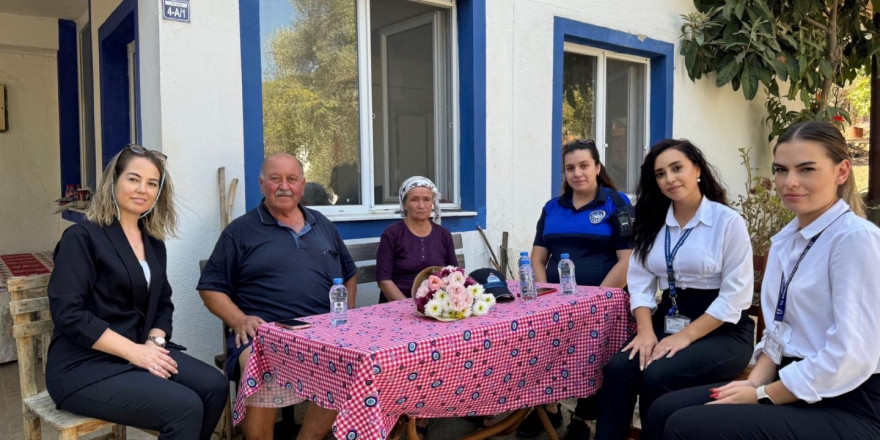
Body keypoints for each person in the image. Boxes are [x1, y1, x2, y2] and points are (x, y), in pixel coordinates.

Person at [645, 121, 880, 440]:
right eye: (782, 170)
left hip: (847, 401)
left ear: (841, 172)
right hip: (789, 382)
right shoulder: (788, 241)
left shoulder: (854, 239)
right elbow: (780, 329)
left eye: (806, 169)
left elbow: (851, 356)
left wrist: (764, 394)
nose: (790, 182)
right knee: (664, 409)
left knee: (685, 426)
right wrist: (755, 381)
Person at [46, 144, 228, 440]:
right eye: (133, 179)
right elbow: (69, 313)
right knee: (185, 407)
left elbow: (163, 302)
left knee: (214, 386)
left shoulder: (153, 242)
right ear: (113, 182)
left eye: (152, 183)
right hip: (84, 366)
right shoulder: (82, 238)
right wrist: (136, 353)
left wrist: (154, 342)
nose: (142, 189)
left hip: (139, 351)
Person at [593, 139, 755, 440]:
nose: (669, 179)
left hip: (721, 328)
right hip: (667, 317)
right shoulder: (652, 221)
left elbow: (736, 297)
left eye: (676, 168)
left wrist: (685, 335)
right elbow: (640, 282)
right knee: (618, 369)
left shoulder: (727, 222)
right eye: (660, 174)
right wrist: (644, 330)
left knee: (657, 374)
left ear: (697, 169)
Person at [197, 152, 358, 440]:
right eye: (275, 179)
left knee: (351, 363)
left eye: (292, 179)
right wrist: (238, 319)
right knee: (259, 363)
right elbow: (210, 287)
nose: (284, 186)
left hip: (323, 333)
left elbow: (349, 274)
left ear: (302, 185)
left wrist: (345, 316)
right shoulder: (240, 231)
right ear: (262, 184)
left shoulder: (321, 223)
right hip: (266, 334)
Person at [527, 138, 634, 439]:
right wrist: (543, 294)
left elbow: (628, 261)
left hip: (603, 303)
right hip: (553, 304)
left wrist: (593, 301)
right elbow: (538, 257)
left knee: (594, 360)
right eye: (570, 168)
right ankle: (548, 408)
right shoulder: (551, 208)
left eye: (584, 165)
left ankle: (584, 418)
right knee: (544, 353)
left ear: (597, 167)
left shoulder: (617, 203)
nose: (577, 173)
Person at [376, 176, 458, 303]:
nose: (421, 205)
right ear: (404, 204)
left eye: (426, 199)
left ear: (433, 203)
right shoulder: (392, 234)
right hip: (399, 305)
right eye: (414, 199)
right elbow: (384, 280)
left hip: (436, 305)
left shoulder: (443, 235)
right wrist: (409, 307)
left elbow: (453, 275)